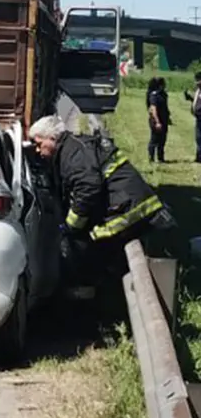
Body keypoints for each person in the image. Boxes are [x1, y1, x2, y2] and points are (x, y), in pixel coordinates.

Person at [28, 114, 173, 286]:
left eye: (39, 144)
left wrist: (71, 226)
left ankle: (91, 290)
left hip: (130, 208)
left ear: (52, 137)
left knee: (90, 243)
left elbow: (88, 189)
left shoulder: (73, 155)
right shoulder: (71, 148)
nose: (37, 150)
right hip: (131, 201)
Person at [146, 76, 170, 163]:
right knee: (154, 139)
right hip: (156, 120)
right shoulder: (154, 95)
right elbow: (153, 109)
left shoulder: (164, 94)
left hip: (164, 120)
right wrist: (157, 122)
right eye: (163, 84)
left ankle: (161, 158)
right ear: (160, 85)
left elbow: (165, 107)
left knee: (162, 140)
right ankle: (151, 158)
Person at [186, 71, 201, 163]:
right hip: (198, 117)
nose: (196, 83)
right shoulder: (198, 90)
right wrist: (190, 98)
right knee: (198, 137)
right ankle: (199, 156)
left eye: (198, 81)